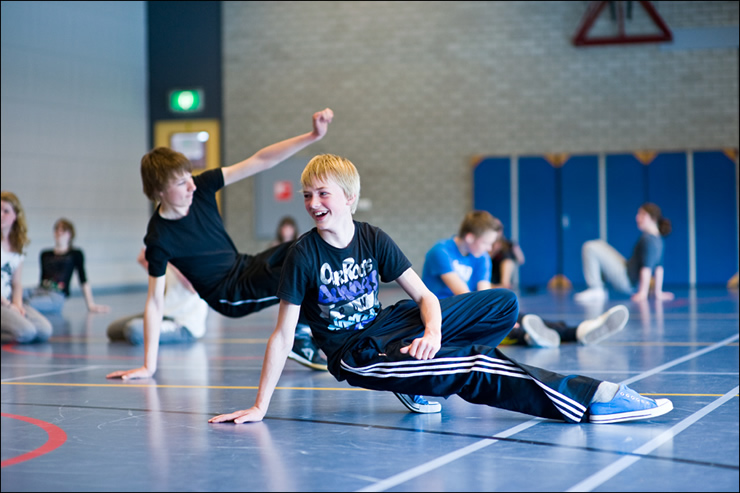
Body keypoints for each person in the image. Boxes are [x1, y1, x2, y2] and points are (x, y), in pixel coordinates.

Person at [208, 154, 673, 426]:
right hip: (356, 352)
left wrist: (431, 331)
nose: (313, 203)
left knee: (502, 304)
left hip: (389, 325)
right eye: (308, 195)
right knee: (473, 365)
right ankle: (592, 400)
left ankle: (422, 374)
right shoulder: (302, 255)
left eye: (323, 193)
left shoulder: (373, 238)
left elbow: (426, 297)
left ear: (348, 198)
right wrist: (259, 406)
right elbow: (284, 334)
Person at [106, 108, 334, 381]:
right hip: (230, 293)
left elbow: (260, 160)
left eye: (189, 176)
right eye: (181, 183)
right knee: (299, 275)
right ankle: (301, 334)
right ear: (159, 192)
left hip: (246, 264)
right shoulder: (159, 236)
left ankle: (302, 330)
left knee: (308, 246)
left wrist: (313, 136)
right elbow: (154, 302)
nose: (191, 186)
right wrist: (149, 366)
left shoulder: (200, 188)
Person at [422, 211, 629, 349]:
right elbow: (464, 295)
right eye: (486, 243)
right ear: (469, 238)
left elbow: (484, 295)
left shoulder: (482, 256)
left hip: (468, 310)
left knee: (514, 314)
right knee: (492, 326)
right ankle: (527, 336)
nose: (488, 249)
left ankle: (578, 331)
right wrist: (493, 317)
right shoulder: (441, 253)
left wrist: (498, 314)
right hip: (443, 315)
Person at [574, 203, 674, 303]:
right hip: (628, 272)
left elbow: (646, 268)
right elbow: (659, 267)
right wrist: (658, 292)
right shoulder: (658, 239)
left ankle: (596, 288)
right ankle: (598, 288)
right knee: (599, 244)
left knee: (590, 247)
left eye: (642, 215)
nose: (637, 218)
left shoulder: (648, 239)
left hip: (627, 281)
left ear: (653, 218)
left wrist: (642, 293)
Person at [107, 248, 209, 345]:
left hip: (184, 323)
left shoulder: (194, 251)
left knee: (134, 330)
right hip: (163, 314)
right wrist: (147, 255)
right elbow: (150, 267)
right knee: (114, 330)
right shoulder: (169, 250)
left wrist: (167, 258)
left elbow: (192, 287)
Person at [23, 218, 110, 315]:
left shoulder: (75, 254)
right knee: (16, 294)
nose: (59, 233)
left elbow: (83, 279)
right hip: (40, 290)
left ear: (70, 234)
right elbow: (42, 278)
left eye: (63, 230)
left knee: (29, 304)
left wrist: (90, 304)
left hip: (56, 295)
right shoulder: (45, 254)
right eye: (57, 229)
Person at [1, 191, 53, 344]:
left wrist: (17, 304)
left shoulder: (17, 245)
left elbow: (16, 283)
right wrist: (8, 305)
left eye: (6, 211)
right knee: (26, 332)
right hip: (3, 302)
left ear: (15, 216)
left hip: (9, 301)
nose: (1, 214)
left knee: (44, 330)